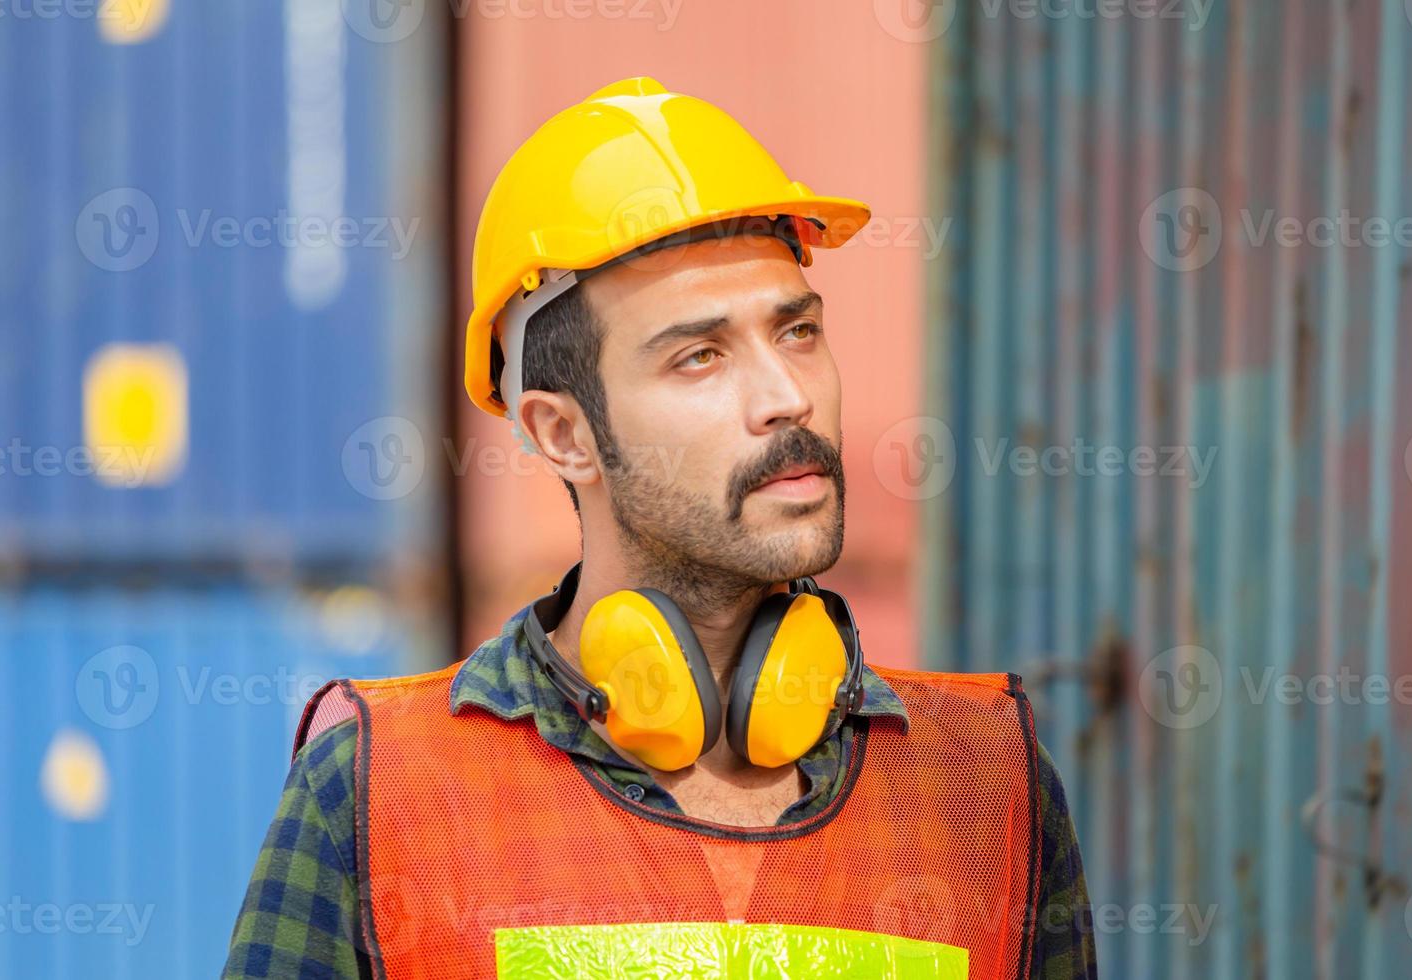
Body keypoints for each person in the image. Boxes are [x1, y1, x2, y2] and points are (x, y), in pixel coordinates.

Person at [223, 76, 1096, 979]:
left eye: (797, 332)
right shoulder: (379, 791)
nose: (788, 397)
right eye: (700, 356)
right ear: (563, 434)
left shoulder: (988, 788)